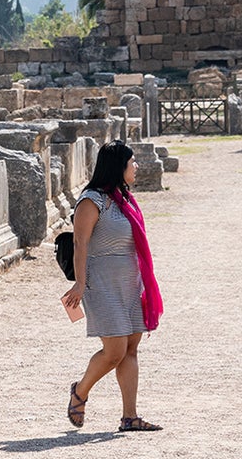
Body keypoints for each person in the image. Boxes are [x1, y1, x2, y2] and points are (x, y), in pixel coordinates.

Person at [59, 141, 165, 432]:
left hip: (130, 282)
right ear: (118, 166)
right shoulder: (91, 201)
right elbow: (80, 243)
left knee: (131, 349)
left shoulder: (124, 198)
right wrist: (80, 283)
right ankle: (80, 391)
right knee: (114, 350)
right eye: (132, 162)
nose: (136, 166)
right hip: (101, 282)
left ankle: (129, 416)